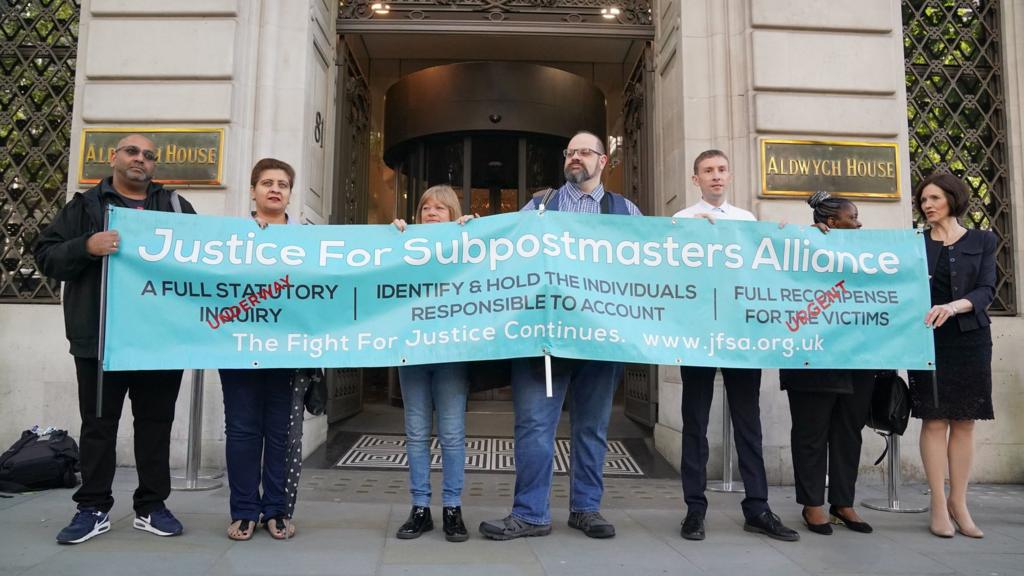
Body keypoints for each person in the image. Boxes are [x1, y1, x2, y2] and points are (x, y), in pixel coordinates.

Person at [479, 130, 641, 541]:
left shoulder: (627, 212)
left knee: (592, 427)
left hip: (601, 339)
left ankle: (586, 509)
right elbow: (506, 253)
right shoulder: (539, 206)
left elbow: (647, 268)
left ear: (603, 161)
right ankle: (531, 513)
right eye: (571, 152)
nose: (576, 158)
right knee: (534, 425)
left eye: (586, 152)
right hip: (544, 338)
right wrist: (467, 232)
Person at [35, 134, 196, 544]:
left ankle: (152, 506)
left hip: (159, 340)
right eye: (132, 152)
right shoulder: (85, 207)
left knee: (156, 426)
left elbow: (203, 260)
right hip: (102, 339)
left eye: (149, 155)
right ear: (114, 158)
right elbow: (47, 256)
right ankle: (92, 508)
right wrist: (86, 246)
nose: (140, 159)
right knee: (98, 426)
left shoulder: (176, 207)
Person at [673, 149, 799, 542]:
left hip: (741, 334)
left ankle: (758, 507)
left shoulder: (746, 221)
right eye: (707, 171)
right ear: (696, 179)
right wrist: (690, 230)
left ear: (730, 176)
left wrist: (784, 239)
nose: (715, 176)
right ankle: (694, 509)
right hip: (698, 333)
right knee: (694, 421)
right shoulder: (680, 220)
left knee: (749, 422)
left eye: (722, 170)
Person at [218, 158, 307, 541]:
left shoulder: (309, 239)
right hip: (238, 346)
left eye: (283, 184)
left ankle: (276, 509)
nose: (275, 189)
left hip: (288, 349)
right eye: (267, 182)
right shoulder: (230, 237)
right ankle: (243, 510)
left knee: (280, 431)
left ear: (289, 193)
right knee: (241, 430)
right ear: (253, 190)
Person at [779, 191, 875, 536]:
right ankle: (812, 504)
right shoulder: (800, 250)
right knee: (811, 433)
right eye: (853, 217)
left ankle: (843, 502)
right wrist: (785, 235)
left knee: (849, 431)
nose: (859, 223)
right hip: (812, 358)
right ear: (832, 223)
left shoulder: (867, 254)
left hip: (858, 358)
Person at [908, 173, 996, 539]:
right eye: (923, 200)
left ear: (952, 199)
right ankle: (938, 505)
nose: (927, 205)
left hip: (970, 340)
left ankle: (960, 502)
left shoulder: (983, 240)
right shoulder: (914, 243)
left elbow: (986, 289)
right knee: (933, 420)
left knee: (964, 421)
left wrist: (954, 306)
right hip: (927, 341)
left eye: (934, 198)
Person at [391, 185, 476, 542]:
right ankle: (421, 508)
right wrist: (389, 238)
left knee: (452, 434)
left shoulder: (467, 243)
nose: (432, 212)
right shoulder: (401, 243)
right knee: (415, 431)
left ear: (454, 213)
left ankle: (453, 508)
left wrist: (477, 233)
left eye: (441, 208)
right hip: (412, 351)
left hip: (451, 354)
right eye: (426, 207)